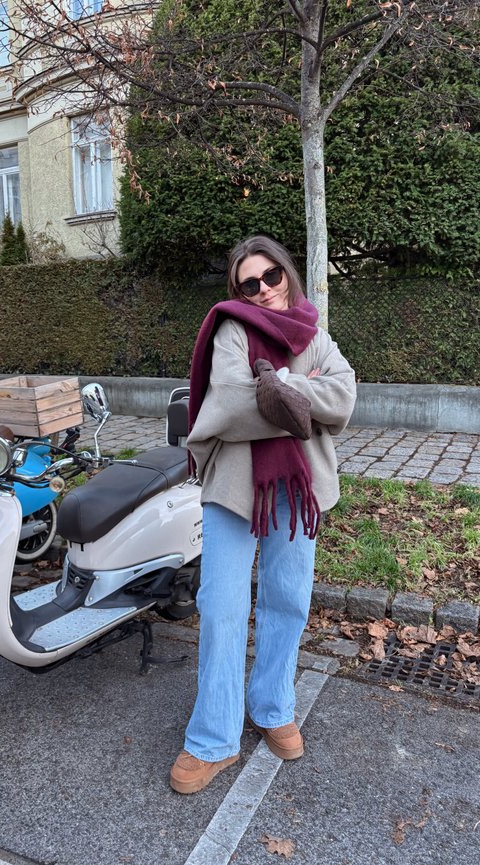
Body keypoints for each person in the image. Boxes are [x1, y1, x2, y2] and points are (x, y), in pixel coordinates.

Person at [169, 235, 357, 795]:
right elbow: (227, 406)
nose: (264, 290)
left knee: (288, 600)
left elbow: (343, 399)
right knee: (222, 605)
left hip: (298, 490)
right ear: (238, 292)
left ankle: (273, 707)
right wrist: (304, 399)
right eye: (249, 284)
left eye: (271, 276)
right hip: (233, 487)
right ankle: (213, 739)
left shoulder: (313, 331)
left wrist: (276, 386)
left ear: (287, 274)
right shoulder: (231, 329)